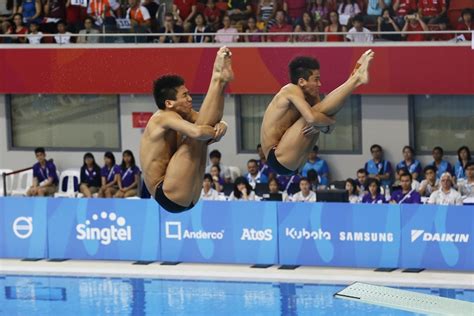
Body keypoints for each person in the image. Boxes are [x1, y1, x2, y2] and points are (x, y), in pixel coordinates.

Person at [140, 47, 233, 212]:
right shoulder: (163, 117)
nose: (190, 99)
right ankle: (217, 79)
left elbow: (210, 120)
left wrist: (223, 126)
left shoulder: (184, 113)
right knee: (198, 137)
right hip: (166, 192)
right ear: (169, 103)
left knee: (203, 130)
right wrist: (215, 133)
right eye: (185, 96)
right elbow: (197, 132)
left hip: (189, 194)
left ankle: (221, 83)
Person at [260, 50, 374, 177]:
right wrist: (329, 122)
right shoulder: (290, 90)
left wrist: (325, 123)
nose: (320, 84)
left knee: (321, 113)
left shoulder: (312, 97)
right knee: (315, 116)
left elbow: (328, 127)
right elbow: (313, 118)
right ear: (302, 81)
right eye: (316, 79)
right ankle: (356, 78)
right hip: (277, 157)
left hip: (296, 163)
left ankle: (355, 77)